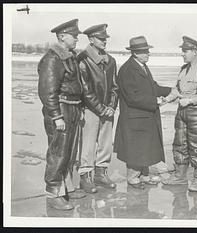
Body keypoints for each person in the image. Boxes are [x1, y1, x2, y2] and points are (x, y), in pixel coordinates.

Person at [114, 36, 181, 189]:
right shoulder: (127, 70)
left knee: (143, 147)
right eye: (144, 52)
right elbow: (133, 97)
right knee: (135, 148)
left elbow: (152, 87)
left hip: (142, 116)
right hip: (134, 117)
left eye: (147, 51)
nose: (148, 54)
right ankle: (133, 177)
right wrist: (156, 101)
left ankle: (143, 175)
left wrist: (170, 90)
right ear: (135, 53)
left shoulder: (141, 66)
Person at [38, 19, 86, 210]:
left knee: (70, 151)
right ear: (62, 36)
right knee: (59, 151)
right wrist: (56, 116)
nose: (76, 39)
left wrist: (79, 108)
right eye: (74, 36)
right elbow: (48, 91)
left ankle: (67, 188)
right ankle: (53, 193)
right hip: (61, 108)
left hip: (72, 107)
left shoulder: (69, 56)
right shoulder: (53, 58)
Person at [162, 36, 197, 192]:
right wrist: (166, 99)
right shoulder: (183, 69)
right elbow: (176, 90)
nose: (182, 54)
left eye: (185, 51)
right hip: (182, 112)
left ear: (195, 51)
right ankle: (180, 176)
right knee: (179, 144)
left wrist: (191, 100)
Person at [77, 24, 118, 193]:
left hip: (107, 110)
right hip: (90, 109)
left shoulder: (111, 61)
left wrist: (111, 106)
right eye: (101, 39)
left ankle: (101, 174)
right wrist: (101, 108)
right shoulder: (82, 59)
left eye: (105, 38)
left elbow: (115, 87)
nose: (104, 41)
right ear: (91, 39)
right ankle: (85, 177)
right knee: (87, 145)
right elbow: (84, 90)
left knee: (105, 143)